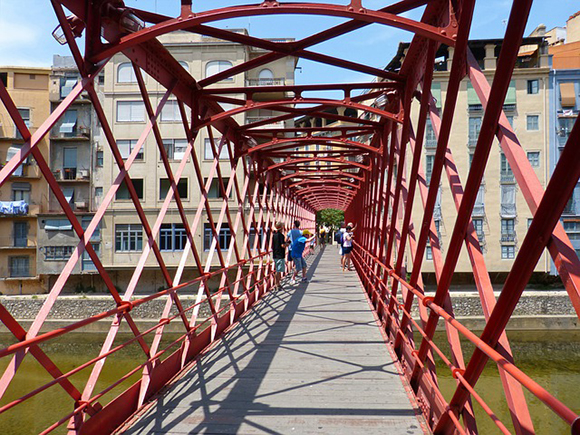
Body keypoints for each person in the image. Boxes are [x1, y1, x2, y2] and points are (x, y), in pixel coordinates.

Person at [271, 222, 287, 289]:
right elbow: (282, 245)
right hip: (280, 255)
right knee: (278, 270)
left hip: (275, 254)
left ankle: (276, 283)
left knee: (277, 269)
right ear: (281, 228)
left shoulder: (274, 235)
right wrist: (287, 244)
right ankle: (277, 284)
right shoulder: (281, 236)